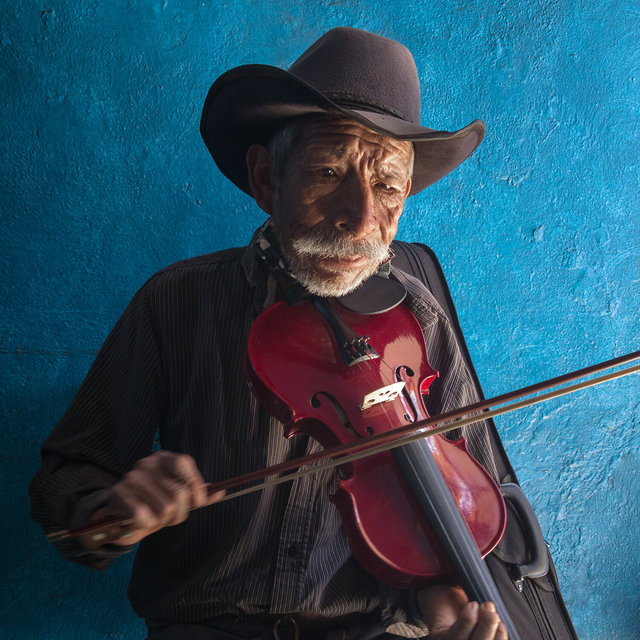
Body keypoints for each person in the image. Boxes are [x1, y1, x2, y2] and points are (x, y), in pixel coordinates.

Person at [30, 27, 509, 639]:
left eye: (388, 185)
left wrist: (438, 602)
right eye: (329, 171)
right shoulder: (178, 302)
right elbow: (64, 481)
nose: (361, 217)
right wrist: (114, 510)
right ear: (265, 179)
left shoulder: (421, 324)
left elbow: (467, 517)